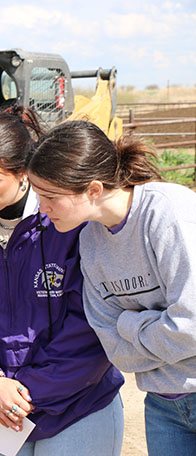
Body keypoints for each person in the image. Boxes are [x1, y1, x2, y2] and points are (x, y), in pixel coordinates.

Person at [0, 108, 125, 456]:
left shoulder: (70, 222)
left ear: (23, 174)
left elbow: (90, 323)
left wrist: (24, 391)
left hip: (76, 408)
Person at [26, 120, 196, 455]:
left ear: (92, 189)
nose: (42, 210)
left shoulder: (168, 213)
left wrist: (130, 324)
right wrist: (157, 327)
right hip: (163, 404)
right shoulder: (90, 240)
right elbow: (116, 349)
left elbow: (191, 326)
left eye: (50, 197)